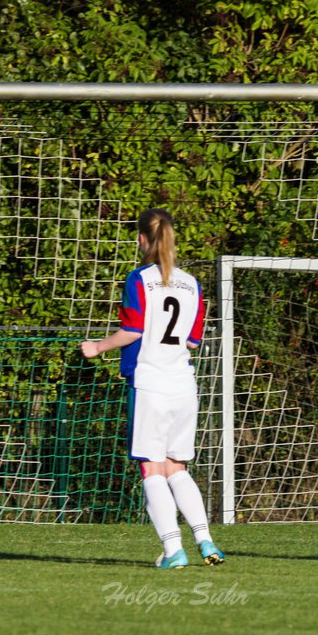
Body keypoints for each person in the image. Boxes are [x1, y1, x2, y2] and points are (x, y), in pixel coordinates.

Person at [79, 208, 224, 569]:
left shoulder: (140, 278)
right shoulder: (192, 283)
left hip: (151, 383)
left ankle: (173, 550)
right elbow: (192, 342)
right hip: (183, 385)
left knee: (152, 469)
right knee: (178, 467)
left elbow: (134, 330)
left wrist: (96, 347)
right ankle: (205, 541)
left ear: (142, 239)